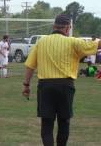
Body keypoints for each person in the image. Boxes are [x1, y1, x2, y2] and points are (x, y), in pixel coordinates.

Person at [22, 14, 101, 146]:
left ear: (54, 26)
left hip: (45, 86)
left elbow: (30, 66)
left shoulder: (41, 42)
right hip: (65, 85)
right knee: (64, 122)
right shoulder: (73, 42)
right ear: (68, 28)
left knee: (47, 125)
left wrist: (26, 85)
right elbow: (97, 45)